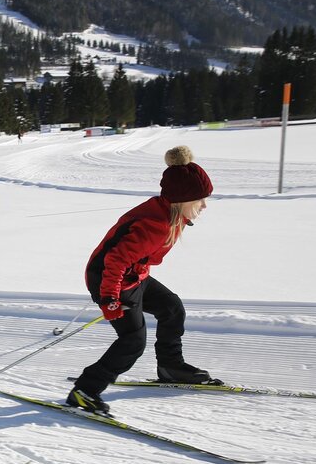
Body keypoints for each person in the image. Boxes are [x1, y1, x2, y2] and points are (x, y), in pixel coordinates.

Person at [67, 145, 220, 416]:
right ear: (182, 199)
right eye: (200, 200)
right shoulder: (156, 226)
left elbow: (132, 260)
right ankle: (85, 391)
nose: (205, 205)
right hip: (110, 280)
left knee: (171, 307)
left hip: (133, 276)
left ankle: (171, 367)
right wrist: (110, 300)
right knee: (133, 341)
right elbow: (115, 261)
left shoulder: (170, 214)